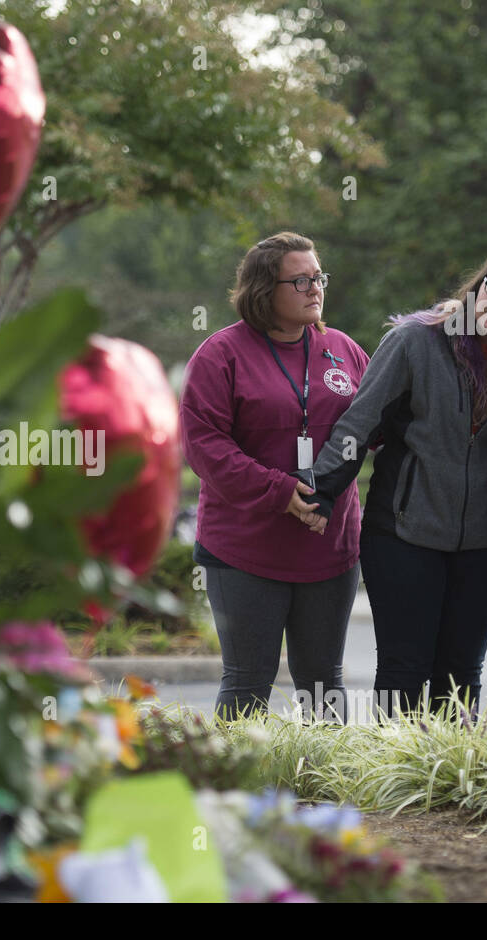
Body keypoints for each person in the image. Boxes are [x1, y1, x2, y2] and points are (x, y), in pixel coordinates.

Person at [298, 250, 487, 720]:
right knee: (404, 668)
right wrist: (321, 491)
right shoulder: (417, 340)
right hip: (402, 531)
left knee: (461, 674)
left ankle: (452, 787)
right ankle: (397, 790)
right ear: (478, 286)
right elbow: (360, 420)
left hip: (480, 541)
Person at [180, 232, 370, 721]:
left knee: (324, 685)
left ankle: (328, 795)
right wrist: (280, 491)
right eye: (300, 280)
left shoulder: (343, 349)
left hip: (328, 548)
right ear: (264, 289)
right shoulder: (220, 356)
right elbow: (205, 448)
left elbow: (375, 424)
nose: (315, 289)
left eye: (318, 277)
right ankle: (235, 795)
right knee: (246, 682)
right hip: (244, 550)